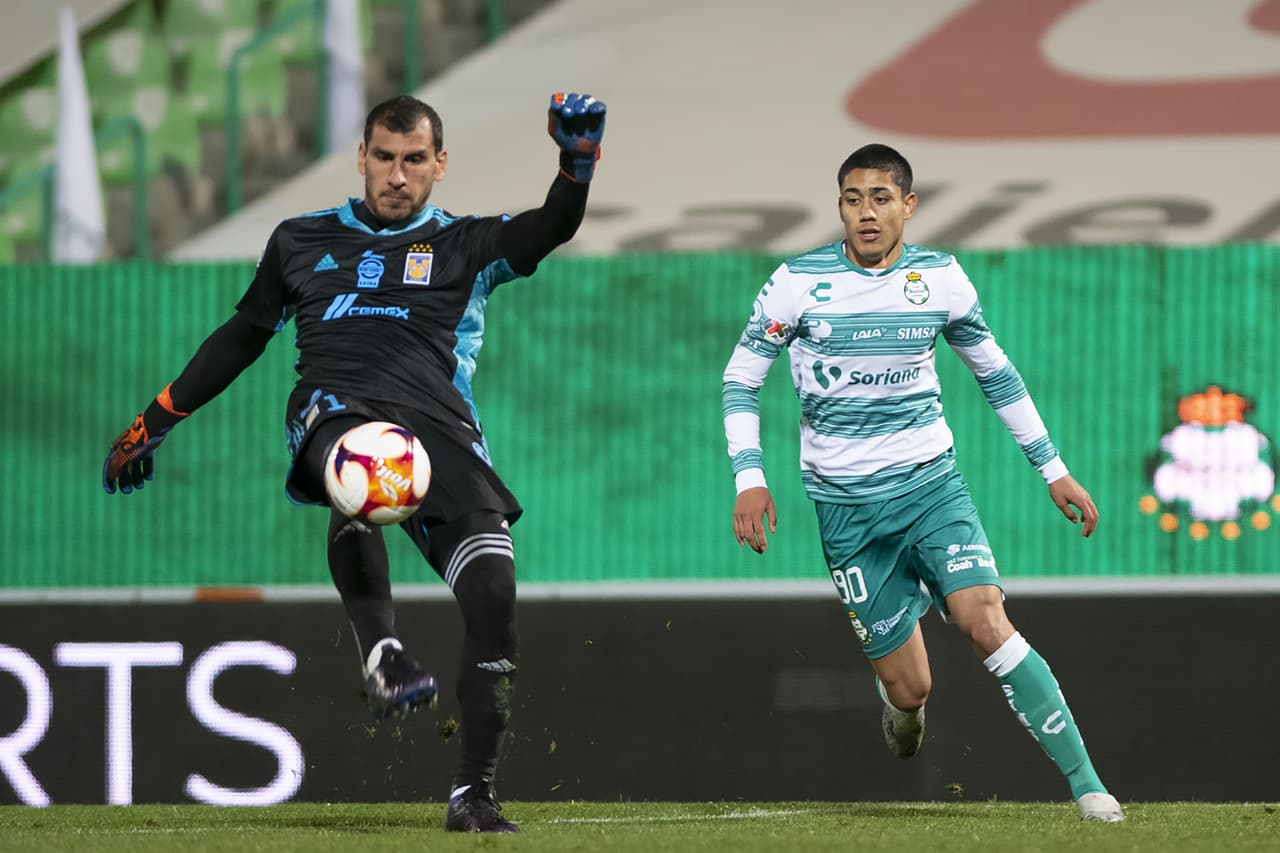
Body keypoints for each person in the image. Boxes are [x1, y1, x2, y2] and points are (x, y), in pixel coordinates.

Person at [102, 91, 607, 832]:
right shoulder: (300, 240)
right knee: (363, 461)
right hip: (332, 415)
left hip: (439, 434)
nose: (396, 176)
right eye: (383, 158)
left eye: (413, 160)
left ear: (439, 164)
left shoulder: (467, 245)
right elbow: (243, 335)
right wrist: (156, 417)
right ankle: (383, 649)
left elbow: (548, 227)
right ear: (361, 159)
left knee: (495, 591)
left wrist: (577, 163)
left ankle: (473, 793)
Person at [721, 144, 1124, 822]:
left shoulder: (940, 280)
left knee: (985, 621)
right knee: (910, 688)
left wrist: (1052, 468)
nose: (866, 212)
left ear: (908, 205)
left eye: (881, 198)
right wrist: (749, 477)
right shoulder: (796, 282)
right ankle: (903, 706)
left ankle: (1089, 787)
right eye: (853, 198)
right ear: (841, 206)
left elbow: (995, 373)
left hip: (931, 488)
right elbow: (741, 377)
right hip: (846, 514)